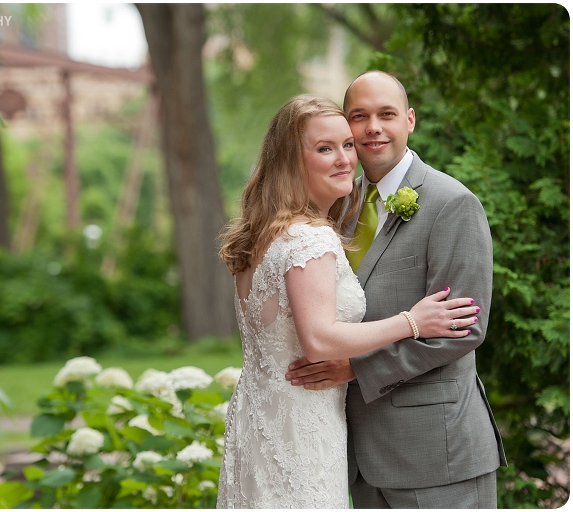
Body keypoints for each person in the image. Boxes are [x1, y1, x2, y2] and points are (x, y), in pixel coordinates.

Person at [216, 95, 481, 509]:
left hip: (261, 421)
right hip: (303, 427)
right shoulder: (311, 236)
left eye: (346, 145)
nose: (345, 159)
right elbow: (319, 341)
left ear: (410, 121)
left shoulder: (263, 236)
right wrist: (412, 321)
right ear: (290, 160)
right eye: (325, 148)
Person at [285, 71, 507, 508]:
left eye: (386, 114)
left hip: (437, 453)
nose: (372, 127)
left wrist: (355, 369)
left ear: (409, 120)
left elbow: (461, 329)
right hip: (357, 454)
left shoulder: (452, 204)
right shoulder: (340, 207)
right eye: (359, 116)